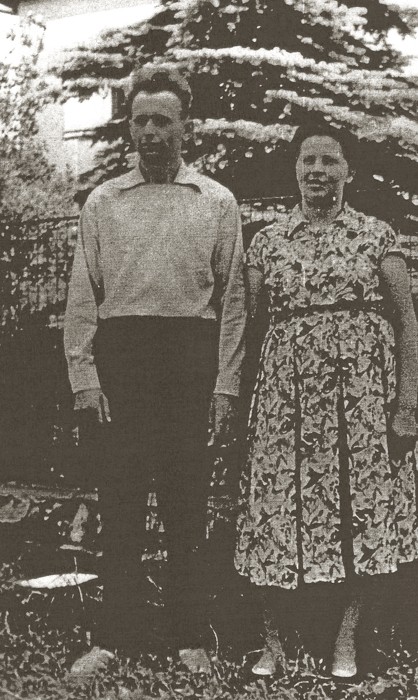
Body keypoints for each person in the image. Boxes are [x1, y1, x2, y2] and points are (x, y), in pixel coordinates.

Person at [64, 65, 246, 675]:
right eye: (140, 120)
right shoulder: (104, 202)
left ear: (185, 126)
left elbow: (234, 304)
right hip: (123, 361)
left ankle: (189, 636)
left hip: (189, 360)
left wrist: (224, 385)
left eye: (162, 121)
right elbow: (82, 298)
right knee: (119, 502)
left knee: (185, 503)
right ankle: (112, 637)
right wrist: (85, 377)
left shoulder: (215, 201)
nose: (150, 132)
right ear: (130, 127)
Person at [235, 123, 418, 679]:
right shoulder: (268, 241)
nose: (317, 170)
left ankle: (346, 639)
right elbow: (245, 326)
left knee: (358, 508)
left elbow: (407, 323)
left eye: (329, 160)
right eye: (307, 159)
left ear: (348, 171)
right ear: (295, 169)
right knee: (273, 507)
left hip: (361, 403)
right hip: (285, 401)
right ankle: (273, 643)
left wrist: (407, 404)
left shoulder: (376, 236)